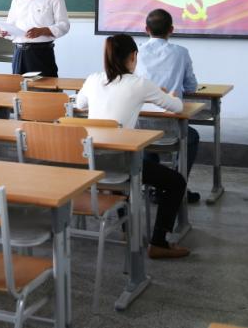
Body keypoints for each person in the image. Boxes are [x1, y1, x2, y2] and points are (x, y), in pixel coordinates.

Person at [75, 34, 190, 259]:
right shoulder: (140, 84)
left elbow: (80, 104)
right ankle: (159, 242)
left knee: (122, 168)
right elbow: (176, 107)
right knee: (176, 182)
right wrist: (168, 95)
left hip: (90, 162)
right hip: (120, 164)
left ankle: (127, 230)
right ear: (133, 56)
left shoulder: (93, 79)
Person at [135, 8, 202, 202]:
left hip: (140, 125)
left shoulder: (136, 52)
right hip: (171, 127)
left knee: (147, 142)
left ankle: (154, 187)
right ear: (171, 30)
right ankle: (176, 185)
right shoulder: (181, 52)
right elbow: (191, 86)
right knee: (192, 137)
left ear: (146, 29)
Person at [0, 0, 70, 78]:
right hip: (19, 53)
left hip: (42, 53)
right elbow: (10, 25)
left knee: (45, 88)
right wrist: (3, 31)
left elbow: (64, 26)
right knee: (18, 87)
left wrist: (42, 31)